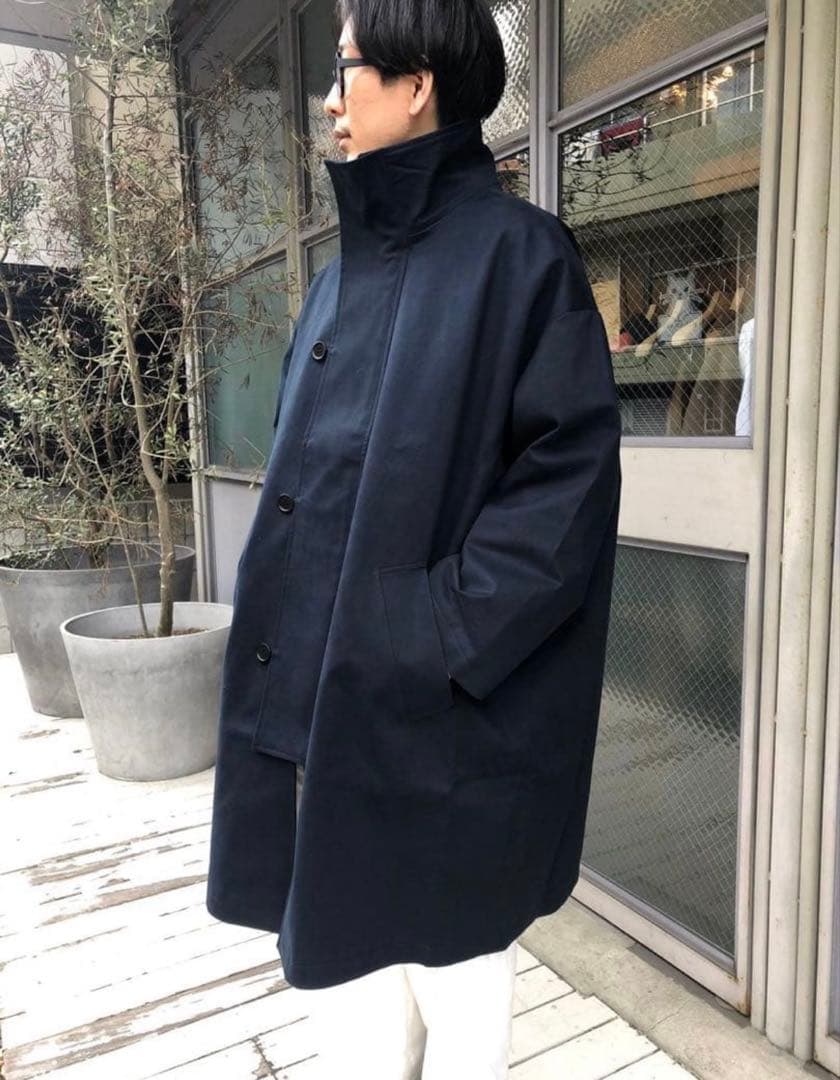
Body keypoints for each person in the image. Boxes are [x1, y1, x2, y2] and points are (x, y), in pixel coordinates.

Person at [205, 1, 622, 1077]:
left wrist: (419, 633)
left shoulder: (523, 261)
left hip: (444, 731)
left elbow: (563, 496)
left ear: (418, 83)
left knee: (458, 998)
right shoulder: (339, 277)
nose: (329, 100)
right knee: (348, 1004)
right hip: (324, 717)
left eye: (347, 70)